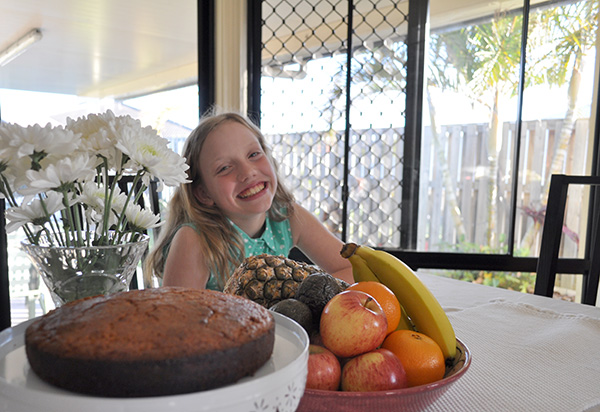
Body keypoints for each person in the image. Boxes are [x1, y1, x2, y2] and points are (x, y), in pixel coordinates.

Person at [145, 110, 353, 290]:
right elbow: (179, 322)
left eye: (254, 154)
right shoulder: (195, 239)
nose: (247, 172)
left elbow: (351, 268)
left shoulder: (287, 217)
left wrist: (299, 296)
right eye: (224, 168)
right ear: (203, 193)